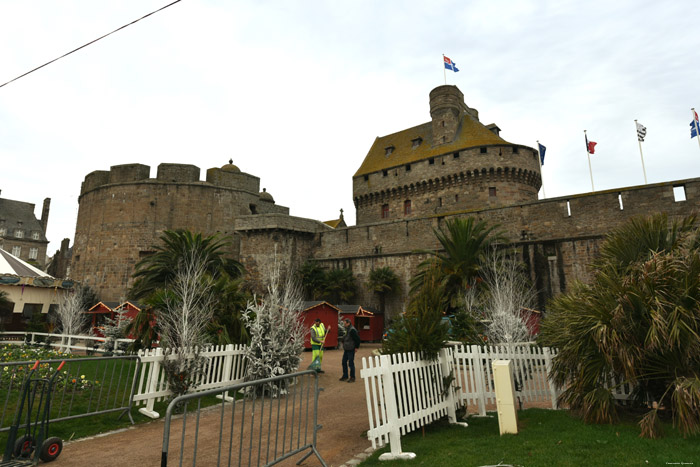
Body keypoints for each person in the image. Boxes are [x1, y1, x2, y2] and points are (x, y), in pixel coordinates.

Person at [339, 318, 361, 382]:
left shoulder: (352, 330)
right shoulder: (347, 329)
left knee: (351, 363)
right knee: (344, 362)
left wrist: (356, 347)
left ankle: (352, 377)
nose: (344, 325)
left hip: (351, 348)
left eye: (345, 323)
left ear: (348, 323)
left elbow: (357, 339)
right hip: (346, 348)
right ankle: (345, 376)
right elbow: (345, 336)